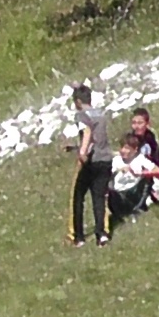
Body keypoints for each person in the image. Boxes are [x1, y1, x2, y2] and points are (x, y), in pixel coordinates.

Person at [67, 83, 113, 246]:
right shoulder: (100, 114)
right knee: (99, 197)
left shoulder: (81, 115)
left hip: (92, 161)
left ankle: (78, 236)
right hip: (106, 159)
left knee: (78, 196)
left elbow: (87, 132)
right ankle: (102, 234)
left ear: (78, 102)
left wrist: (82, 152)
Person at [109, 132, 159, 223]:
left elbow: (157, 170)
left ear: (135, 149)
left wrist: (141, 173)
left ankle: (142, 204)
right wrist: (119, 170)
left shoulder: (140, 159)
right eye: (122, 147)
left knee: (148, 180)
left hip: (135, 191)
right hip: (118, 193)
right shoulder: (116, 160)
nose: (123, 150)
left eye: (127, 148)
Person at [128, 108, 159, 172]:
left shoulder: (151, 140)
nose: (136, 126)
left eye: (140, 123)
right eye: (134, 123)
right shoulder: (128, 140)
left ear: (147, 123)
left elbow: (158, 160)